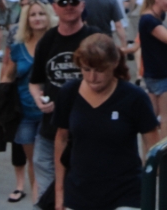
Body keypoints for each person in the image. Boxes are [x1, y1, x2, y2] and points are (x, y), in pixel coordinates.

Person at [53, 35, 159, 210]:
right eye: (86, 69)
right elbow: (61, 139)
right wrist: (59, 193)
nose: (92, 77)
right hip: (79, 192)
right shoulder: (69, 93)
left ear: (114, 63)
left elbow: (155, 147)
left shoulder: (134, 97)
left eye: (100, 70)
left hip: (125, 192)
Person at [28, 0, 99, 200]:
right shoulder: (48, 40)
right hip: (51, 127)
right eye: (63, 2)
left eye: (73, 2)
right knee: (47, 188)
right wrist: (39, 99)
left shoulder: (94, 38)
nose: (69, 6)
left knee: (85, 188)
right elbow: (35, 81)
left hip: (87, 128)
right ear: (55, 7)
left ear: (82, 6)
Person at [1, 0, 52, 203]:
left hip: (51, 112)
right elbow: (8, 75)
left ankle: (50, 200)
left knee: (47, 162)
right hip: (24, 112)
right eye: (33, 14)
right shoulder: (18, 47)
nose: (37, 18)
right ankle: (37, 200)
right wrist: (1, 97)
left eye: (41, 14)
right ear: (26, 19)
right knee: (33, 161)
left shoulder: (55, 42)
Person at [138, 0, 167, 147]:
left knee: (151, 120)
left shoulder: (150, 18)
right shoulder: (149, 20)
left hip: (153, 73)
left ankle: (148, 158)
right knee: (166, 121)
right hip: (160, 74)